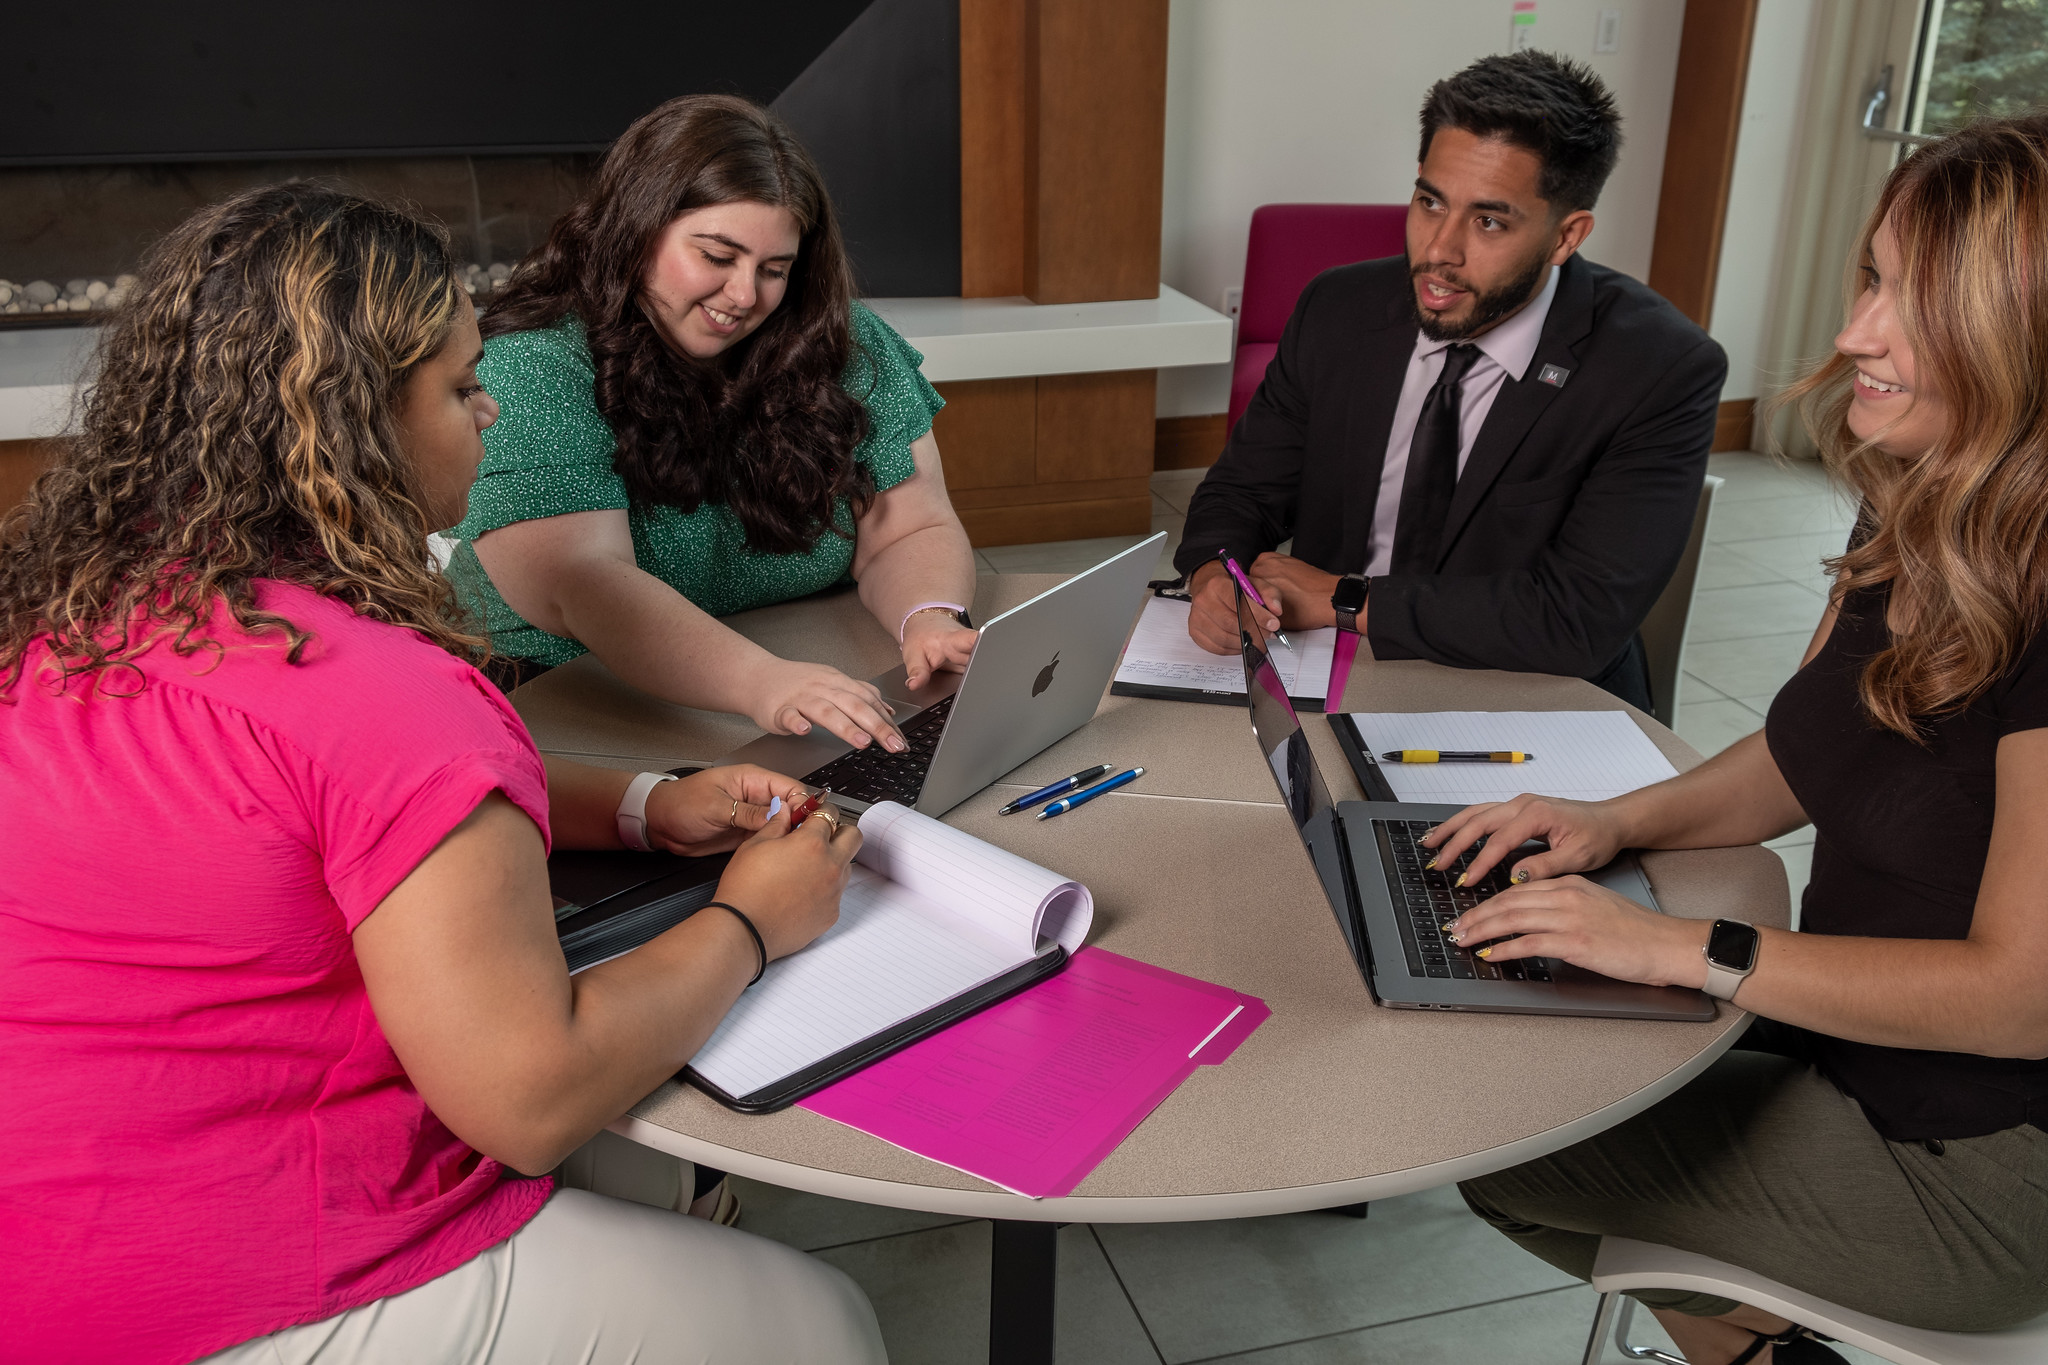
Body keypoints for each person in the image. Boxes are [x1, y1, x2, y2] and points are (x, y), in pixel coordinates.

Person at [0, 183, 887, 1364]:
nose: (490, 417)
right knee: (819, 1322)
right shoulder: (385, 692)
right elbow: (529, 1098)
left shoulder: (83, 607)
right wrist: (753, 921)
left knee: (652, 1162)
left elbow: (329, 802)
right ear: (349, 419)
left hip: (51, 1203)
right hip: (223, 1279)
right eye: (464, 388)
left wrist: (642, 804)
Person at [1427, 115, 2048, 1365]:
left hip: (1983, 1165)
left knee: (1502, 1155)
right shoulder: (1913, 512)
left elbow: (2018, 997)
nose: (1852, 335)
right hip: (1856, 1049)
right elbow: (1804, 756)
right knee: (1500, 1073)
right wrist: (1611, 823)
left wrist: (1683, 949)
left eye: (1915, 304)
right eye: (1870, 278)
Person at [1177, 51, 1725, 712]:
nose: (1439, 250)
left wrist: (1347, 598)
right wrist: (1216, 574)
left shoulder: (1659, 368)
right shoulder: (1337, 309)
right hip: (1330, 672)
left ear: (1566, 235)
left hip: (1535, 699)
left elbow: (1576, 618)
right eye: (1429, 202)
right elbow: (1241, 491)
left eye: (1489, 221)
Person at [447, 93, 978, 756]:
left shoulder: (835, 339)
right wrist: (768, 684)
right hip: (560, 702)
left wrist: (926, 618)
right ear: (638, 229)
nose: (744, 296)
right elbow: (582, 584)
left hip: (798, 661)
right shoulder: (531, 364)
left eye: (774, 269)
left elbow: (910, 525)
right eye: (717, 256)